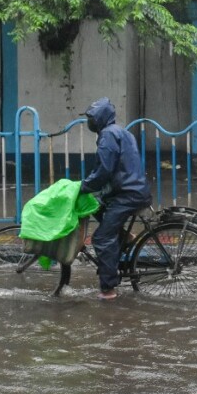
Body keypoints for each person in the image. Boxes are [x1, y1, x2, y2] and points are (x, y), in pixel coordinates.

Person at [80, 98, 152, 300]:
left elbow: (104, 170)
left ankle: (108, 289)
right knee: (96, 206)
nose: (90, 122)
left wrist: (83, 186)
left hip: (126, 194)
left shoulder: (108, 136)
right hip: (132, 190)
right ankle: (123, 237)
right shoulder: (121, 132)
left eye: (91, 118)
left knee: (101, 238)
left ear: (100, 118)